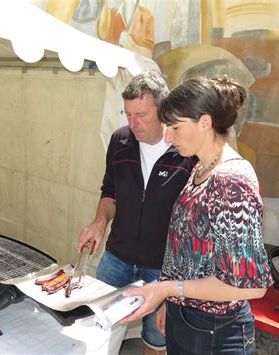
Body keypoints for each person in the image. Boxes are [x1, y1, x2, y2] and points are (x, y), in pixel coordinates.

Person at [121, 76, 274, 354]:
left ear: (205, 122)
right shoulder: (201, 169)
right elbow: (189, 253)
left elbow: (249, 287)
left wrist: (168, 290)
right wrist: (173, 303)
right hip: (188, 320)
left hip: (216, 331)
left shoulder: (231, 182)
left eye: (176, 127)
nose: (168, 136)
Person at [77, 70, 196, 354]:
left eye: (141, 114)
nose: (133, 123)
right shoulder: (120, 141)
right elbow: (110, 192)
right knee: (97, 327)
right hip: (116, 258)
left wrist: (175, 284)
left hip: (162, 267)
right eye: (128, 114)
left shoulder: (185, 150)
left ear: (163, 109)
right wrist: (99, 221)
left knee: (156, 339)